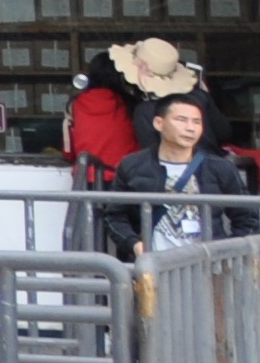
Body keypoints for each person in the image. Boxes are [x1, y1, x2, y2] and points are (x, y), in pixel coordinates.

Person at [94, 88, 252, 260]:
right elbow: (114, 216)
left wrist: (228, 254)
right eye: (181, 120)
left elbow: (247, 217)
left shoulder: (219, 167)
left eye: (197, 122)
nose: (190, 128)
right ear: (158, 123)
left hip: (209, 267)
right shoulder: (133, 166)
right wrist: (135, 245)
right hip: (155, 266)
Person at [67, 38, 216, 186]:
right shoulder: (131, 105)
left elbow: (70, 149)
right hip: (125, 176)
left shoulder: (76, 104)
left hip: (86, 176)